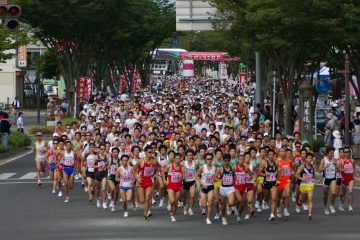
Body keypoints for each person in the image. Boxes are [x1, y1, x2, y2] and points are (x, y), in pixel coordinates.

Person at [132, 145, 160, 221]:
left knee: (148, 198)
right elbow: (133, 170)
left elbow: (159, 168)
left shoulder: (154, 161)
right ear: (145, 153)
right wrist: (137, 177)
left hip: (149, 182)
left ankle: (145, 214)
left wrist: (155, 174)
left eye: (152, 152)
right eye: (149, 152)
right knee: (142, 200)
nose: (151, 154)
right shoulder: (141, 161)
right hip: (141, 182)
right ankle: (137, 200)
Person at [215, 153, 235, 225]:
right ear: (223, 161)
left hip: (230, 188)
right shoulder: (220, 169)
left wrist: (235, 182)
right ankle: (223, 218)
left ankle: (229, 207)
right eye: (225, 161)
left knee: (231, 203)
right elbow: (214, 177)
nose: (226, 162)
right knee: (222, 205)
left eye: (228, 161)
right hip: (223, 189)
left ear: (230, 161)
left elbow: (234, 176)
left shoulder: (232, 168)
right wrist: (219, 180)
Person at [318, 146, 340, 215]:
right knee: (325, 195)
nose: (332, 155)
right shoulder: (323, 160)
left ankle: (332, 206)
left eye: (333, 153)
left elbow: (339, 170)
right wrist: (325, 167)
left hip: (333, 178)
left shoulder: (335, 160)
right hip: (326, 179)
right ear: (327, 153)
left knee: (333, 193)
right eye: (331, 153)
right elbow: (319, 170)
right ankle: (325, 207)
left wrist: (335, 164)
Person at [163, 153, 183, 223]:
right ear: (174, 159)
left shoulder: (182, 167)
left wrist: (182, 177)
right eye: (176, 158)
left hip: (178, 186)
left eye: (179, 158)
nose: (178, 160)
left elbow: (185, 178)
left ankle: (173, 215)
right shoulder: (170, 166)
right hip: (171, 186)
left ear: (181, 159)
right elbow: (162, 172)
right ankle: (172, 214)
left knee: (176, 202)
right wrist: (164, 180)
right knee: (172, 201)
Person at [196, 152, 216, 225]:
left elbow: (217, 178)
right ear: (205, 160)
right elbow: (197, 176)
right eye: (208, 159)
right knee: (204, 205)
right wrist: (201, 183)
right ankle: (202, 201)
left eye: (210, 159)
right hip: (204, 187)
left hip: (211, 186)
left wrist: (215, 180)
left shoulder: (214, 168)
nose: (209, 160)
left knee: (210, 203)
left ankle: (208, 218)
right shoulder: (202, 167)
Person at [259, 149, 278, 221]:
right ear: (267, 156)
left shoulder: (276, 163)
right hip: (266, 182)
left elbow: (278, 173)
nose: (271, 156)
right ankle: (264, 201)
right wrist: (265, 174)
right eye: (270, 154)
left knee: (274, 198)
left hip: (273, 182)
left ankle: (272, 214)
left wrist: (279, 176)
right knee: (267, 196)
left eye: (273, 154)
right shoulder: (264, 163)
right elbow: (259, 173)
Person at [295, 152, 315, 220]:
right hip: (303, 185)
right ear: (306, 159)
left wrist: (315, 179)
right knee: (303, 200)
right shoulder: (302, 166)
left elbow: (313, 175)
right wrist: (301, 178)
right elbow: (296, 174)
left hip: (310, 185)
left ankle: (310, 214)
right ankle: (300, 200)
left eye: (311, 158)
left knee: (310, 199)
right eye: (308, 158)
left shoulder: (313, 166)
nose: (310, 159)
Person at [339, 147, 357, 212]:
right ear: (343, 153)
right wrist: (341, 169)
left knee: (350, 192)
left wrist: (355, 175)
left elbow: (354, 168)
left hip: (350, 179)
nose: (347, 153)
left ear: (349, 152)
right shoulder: (341, 161)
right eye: (345, 152)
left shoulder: (352, 160)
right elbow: (338, 170)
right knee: (343, 194)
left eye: (348, 152)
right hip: (344, 179)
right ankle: (340, 203)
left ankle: (350, 206)